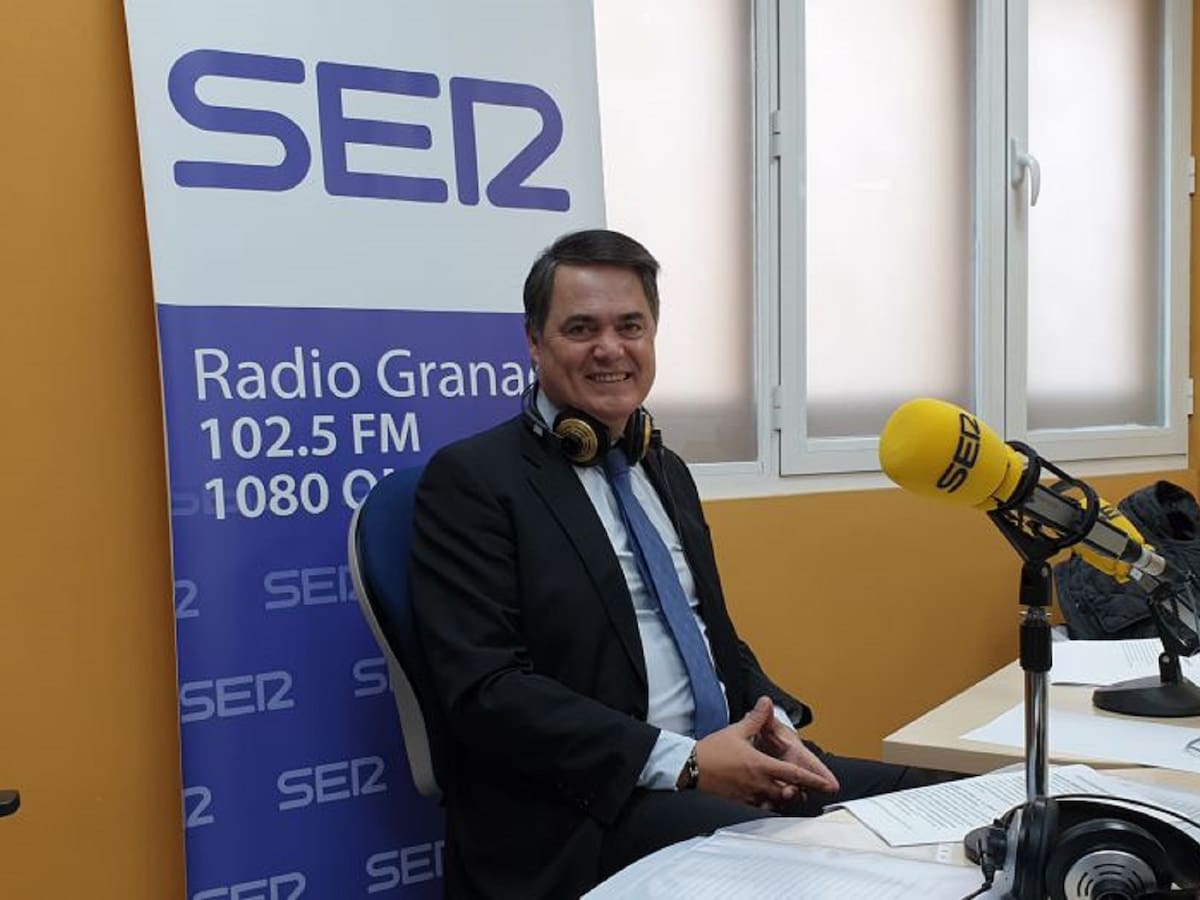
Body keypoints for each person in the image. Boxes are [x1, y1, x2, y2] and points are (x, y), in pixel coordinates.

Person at [410, 229, 958, 899]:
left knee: (958, 804)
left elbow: (709, 635)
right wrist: (687, 764)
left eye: (630, 326)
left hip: (721, 766)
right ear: (533, 341)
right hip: (585, 809)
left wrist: (772, 727)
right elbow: (487, 692)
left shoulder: (663, 468)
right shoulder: (473, 480)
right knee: (819, 868)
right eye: (581, 328)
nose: (610, 348)